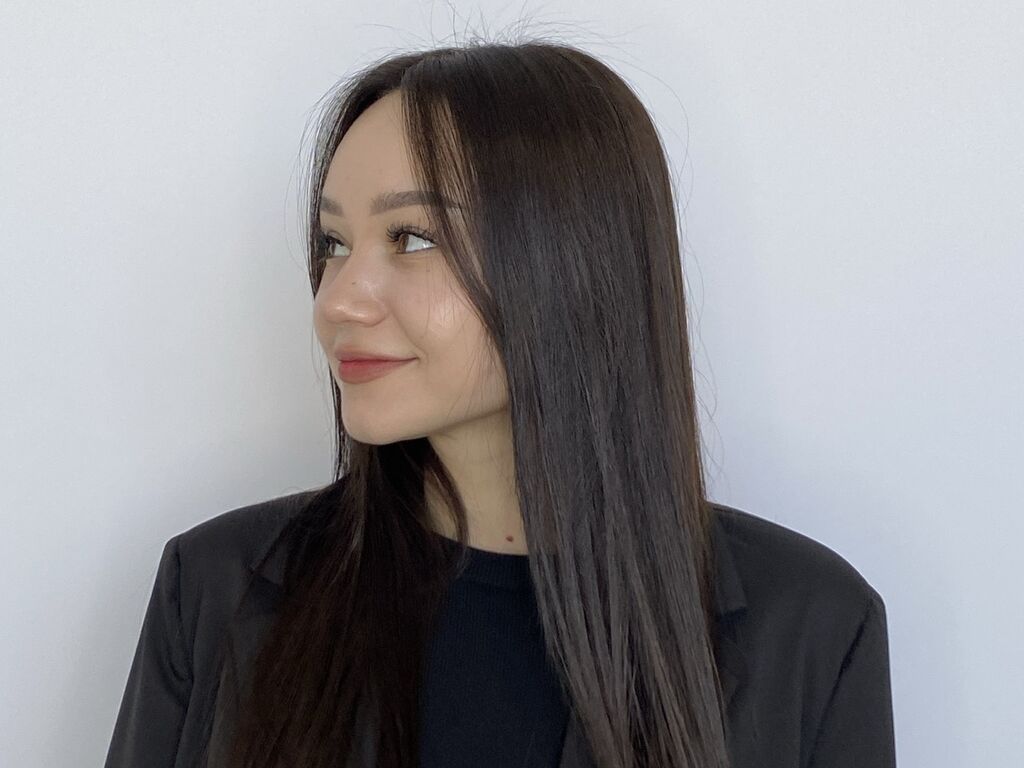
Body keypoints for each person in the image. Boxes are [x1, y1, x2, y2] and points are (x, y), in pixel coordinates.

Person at [104, 40, 896, 768]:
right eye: (334, 244)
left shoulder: (811, 631)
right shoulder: (215, 591)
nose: (338, 299)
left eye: (412, 238)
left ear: (570, 262)